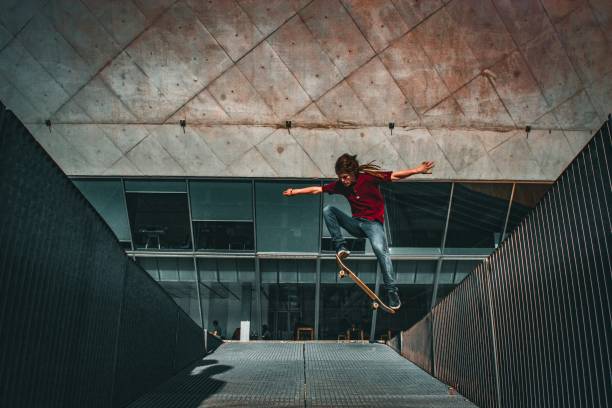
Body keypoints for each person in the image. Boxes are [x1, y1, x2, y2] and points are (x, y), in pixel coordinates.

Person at [283, 154, 434, 310]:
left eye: (345, 177)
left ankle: (392, 293)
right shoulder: (341, 186)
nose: (343, 181)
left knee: (380, 251)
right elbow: (317, 190)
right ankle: (340, 246)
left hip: (374, 225)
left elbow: (395, 176)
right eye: (340, 178)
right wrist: (294, 192)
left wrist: (418, 170)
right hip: (356, 225)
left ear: (353, 172)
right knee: (328, 210)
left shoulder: (368, 178)